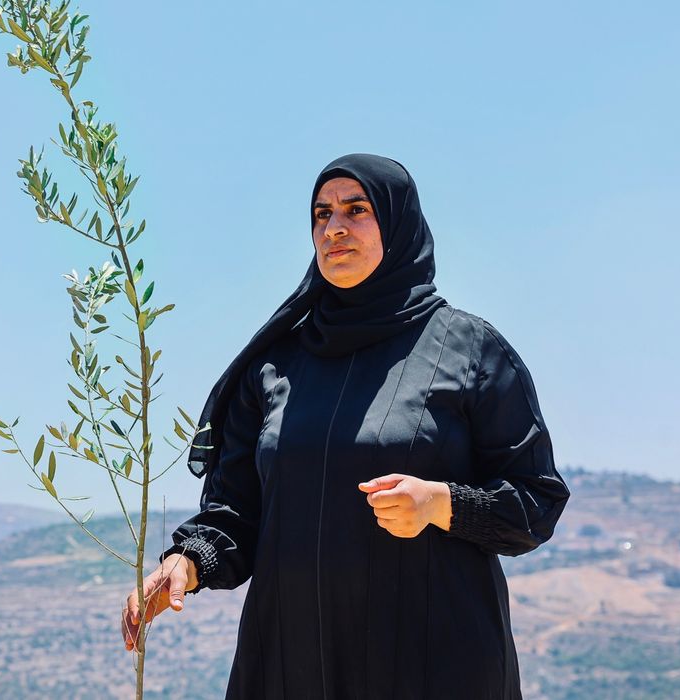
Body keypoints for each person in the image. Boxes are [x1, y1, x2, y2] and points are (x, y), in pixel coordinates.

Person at [119, 153, 571, 699]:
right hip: (294, 663)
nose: (334, 228)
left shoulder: (471, 353)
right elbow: (238, 512)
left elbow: (536, 502)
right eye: (321, 213)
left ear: (398, 225)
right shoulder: (275, 366)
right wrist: (187, 562)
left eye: (356, 210)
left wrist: (440, 503)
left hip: (434, 665)